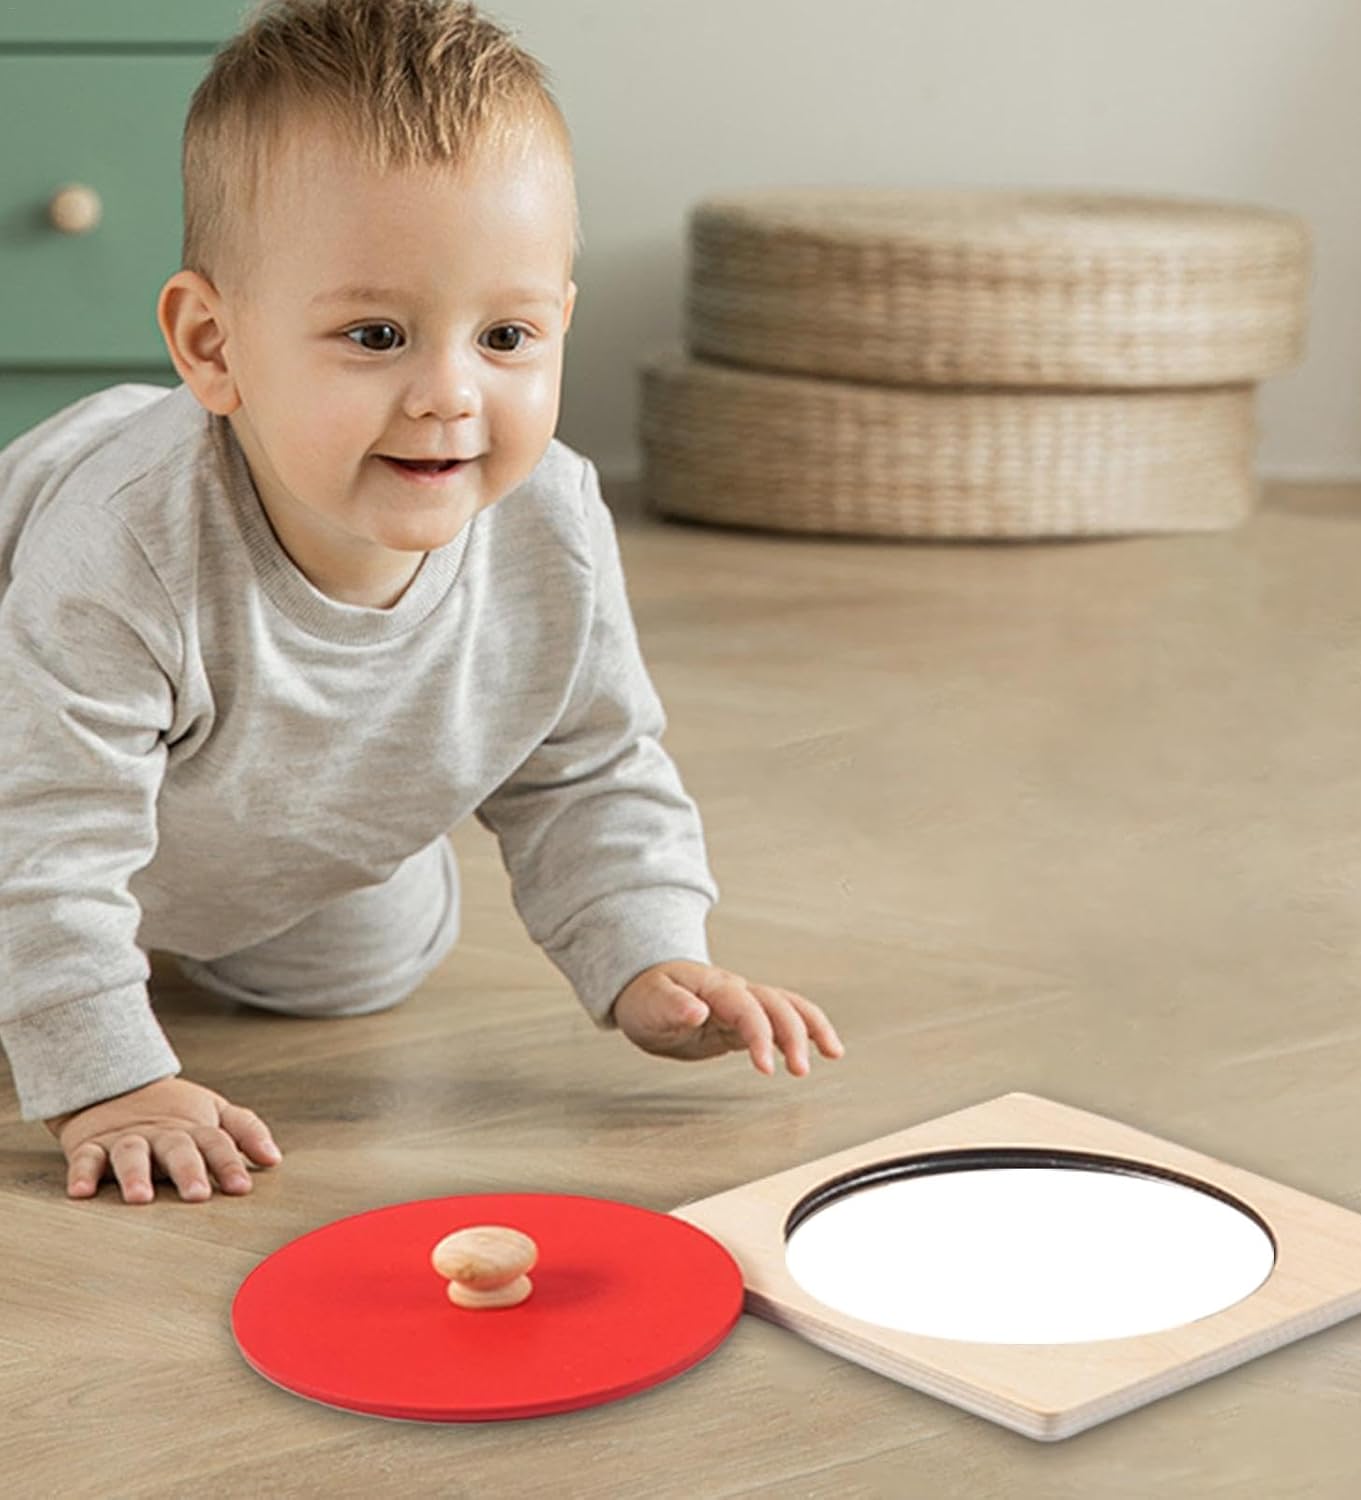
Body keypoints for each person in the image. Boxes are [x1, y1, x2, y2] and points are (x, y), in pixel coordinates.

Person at [0, 0, 843, 1207]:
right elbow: (44, 831)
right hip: (24, 777)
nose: (450, 393)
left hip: (273, 820)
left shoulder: (553, 523)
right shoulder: (119, 548)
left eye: (505, 335)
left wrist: (648, 951)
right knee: (42, 927)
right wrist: (108, 1081)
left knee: (365, 965)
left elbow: (590, 765)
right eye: (377, 333)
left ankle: (226, 888)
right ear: (213, 346)